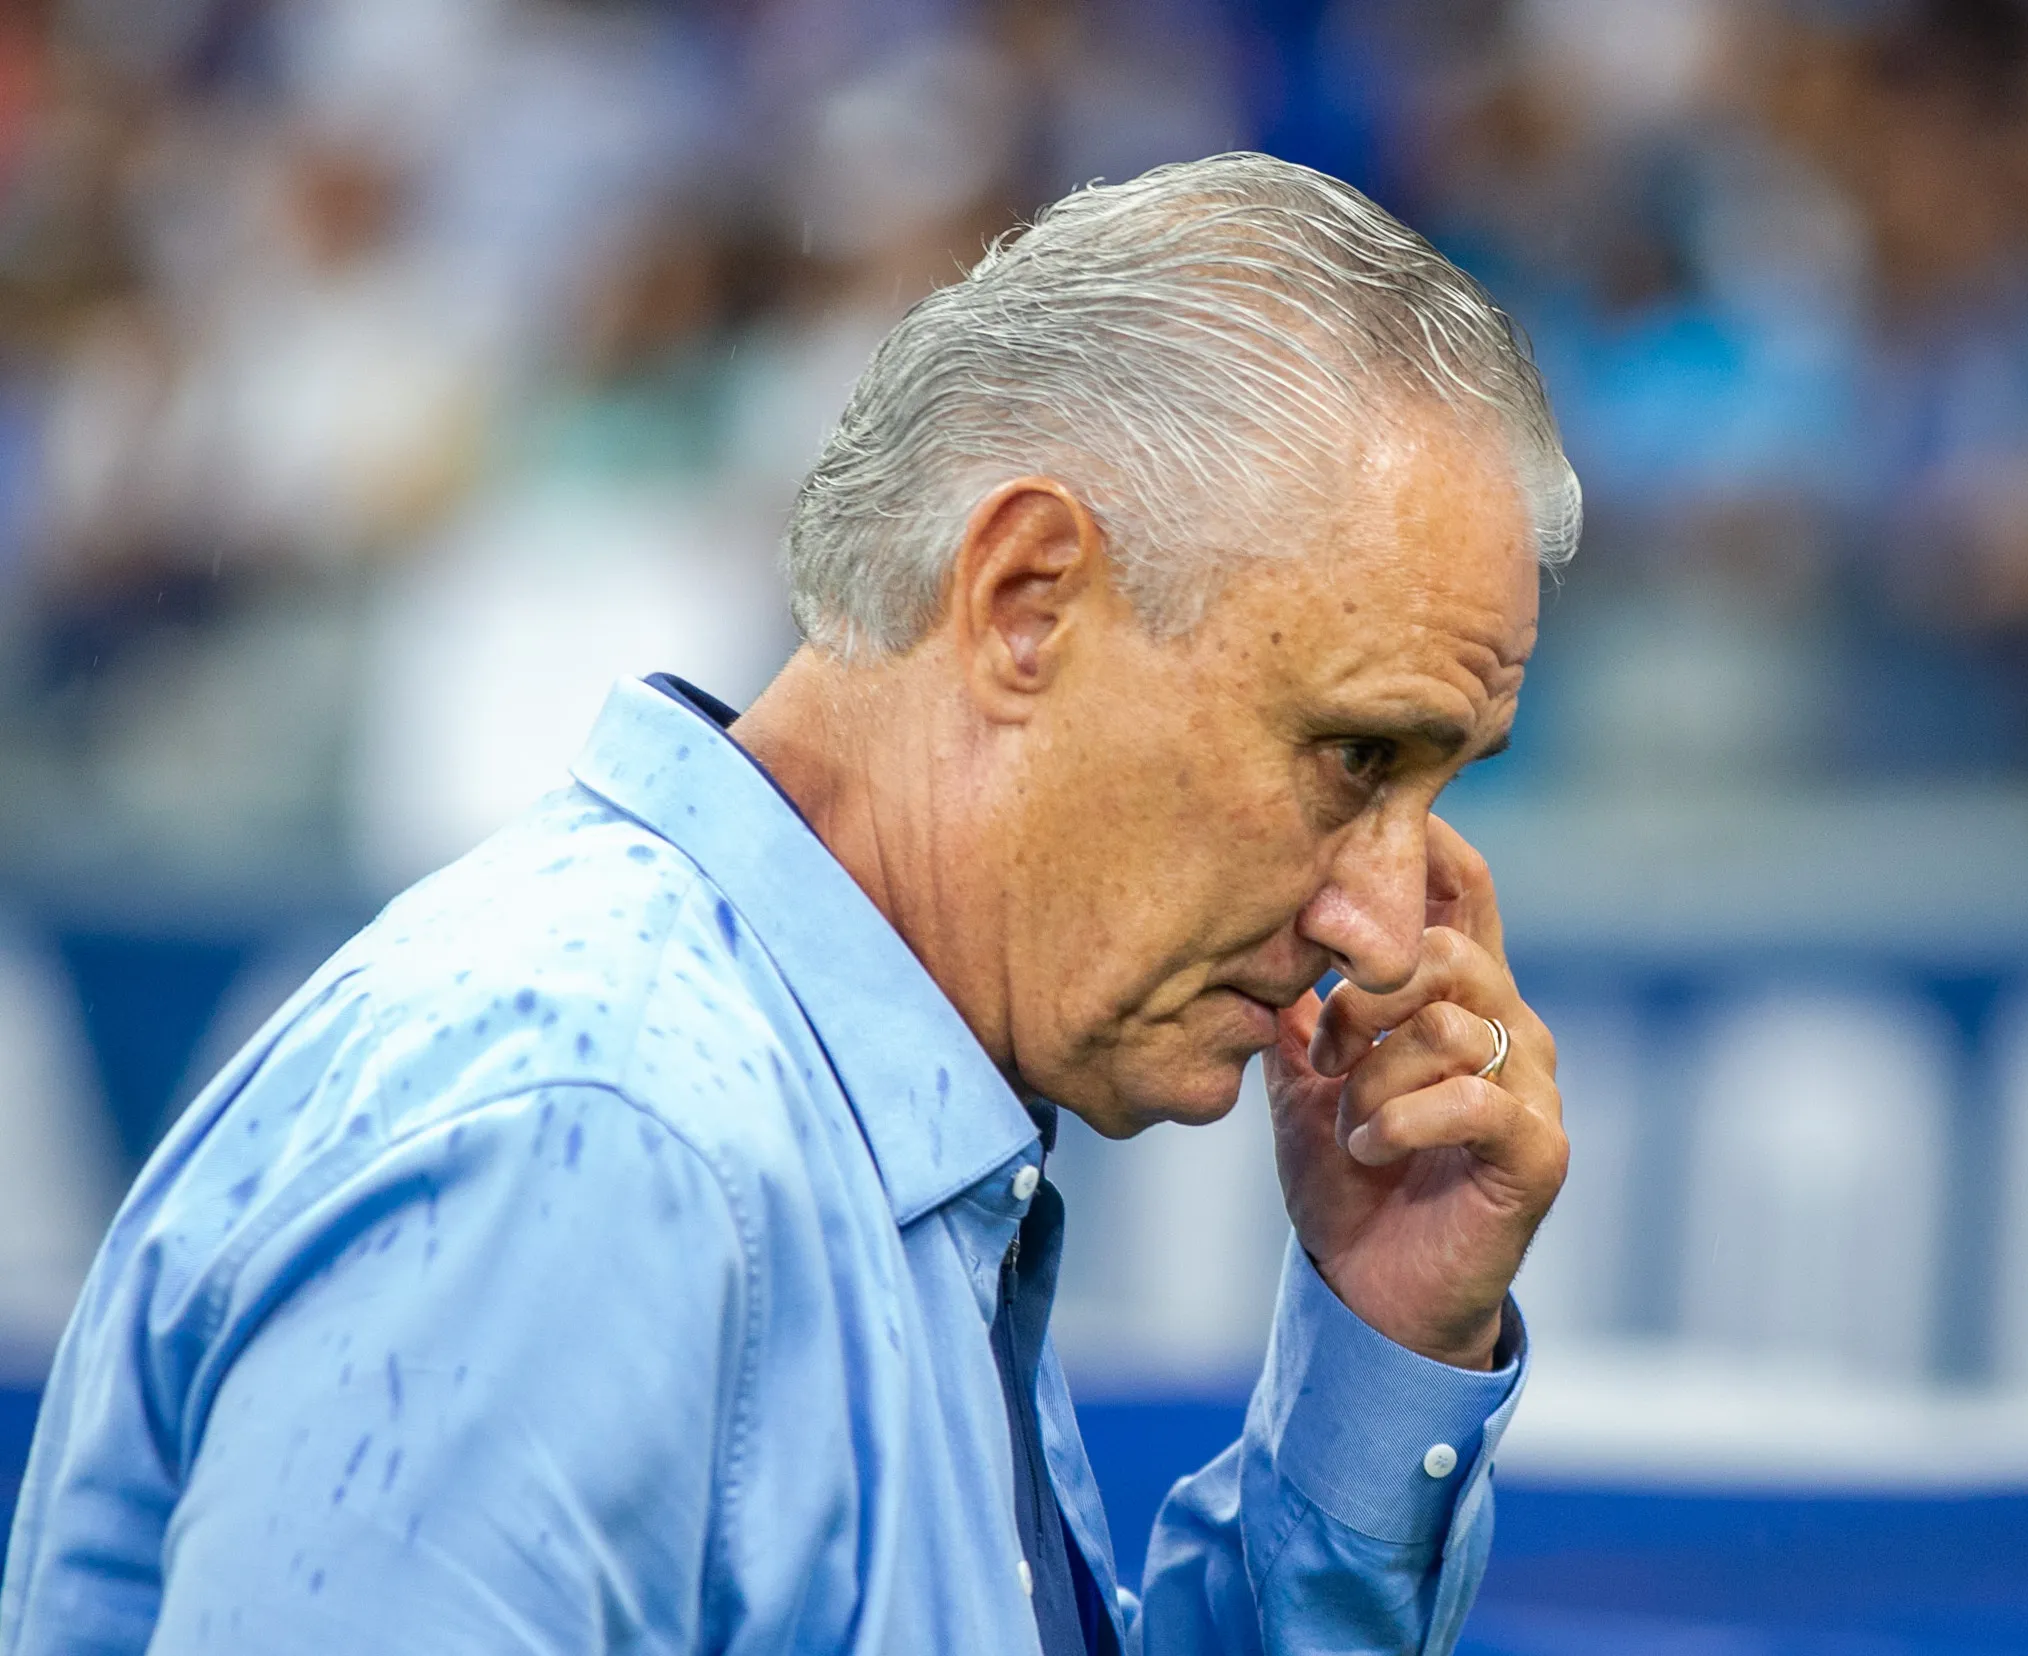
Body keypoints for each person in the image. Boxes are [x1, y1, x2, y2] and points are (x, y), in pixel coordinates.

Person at [0, 152, 1577, 1655]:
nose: (1387, 921)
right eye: (1354, 755)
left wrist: (1382, 1355)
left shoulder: (776, 1113)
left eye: (1436, 788)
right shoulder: (600, 1150)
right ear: (1026, 601)